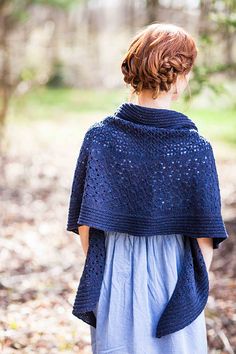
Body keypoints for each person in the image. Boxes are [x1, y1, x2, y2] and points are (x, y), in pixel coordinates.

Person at [67, 22, 228, 354]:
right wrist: (191, 291)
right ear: (180, 78)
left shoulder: (99, 137)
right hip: (173, 276)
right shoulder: (194, 147)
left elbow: (87, 227)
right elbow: (204, 240)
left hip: (115, 273)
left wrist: (112, 274)